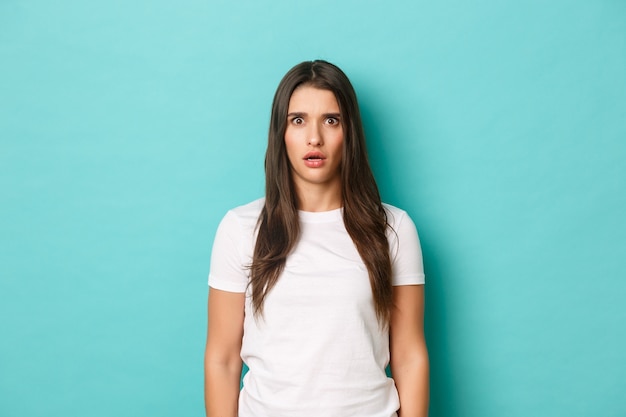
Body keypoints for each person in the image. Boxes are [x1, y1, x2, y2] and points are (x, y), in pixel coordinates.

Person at [204, 60, 428, 417]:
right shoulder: (241, 228)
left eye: (331, 120)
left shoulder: (394, 229)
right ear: (281, 133)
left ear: (349, 132)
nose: (314, 137)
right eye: (298, 120)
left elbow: (409, 354)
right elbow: (222, 358)